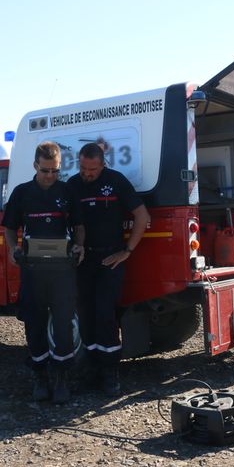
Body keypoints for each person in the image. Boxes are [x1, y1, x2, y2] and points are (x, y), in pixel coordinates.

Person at [2, 141, 84, 404]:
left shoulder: (67, 191)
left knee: (62, 327)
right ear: (36, 165)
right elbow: (9, 227)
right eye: (46, 170)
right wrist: (13, 248)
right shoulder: (22, 193)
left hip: (62, 273)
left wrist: (79, 245)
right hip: (33, 271)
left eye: (55, 171)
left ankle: (61, 378)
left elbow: (79, 225)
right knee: (34, 325)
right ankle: (40, 376)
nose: (50, 176)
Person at [67, 141, 150, 396]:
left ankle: (110, 373)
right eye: (83, 167)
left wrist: (127, 251)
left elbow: (142, 216)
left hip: (109, 261)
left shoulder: (116, 181)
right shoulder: (72, 185)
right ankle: (90, 368)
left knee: (105, 315)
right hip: (82, 261)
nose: (87, 173)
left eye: (92, 169)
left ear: (103, 165)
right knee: (85, 315)